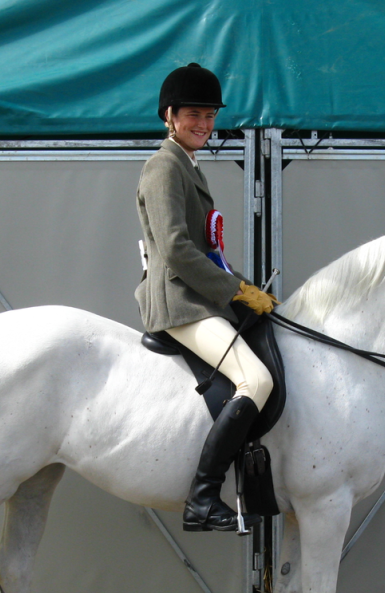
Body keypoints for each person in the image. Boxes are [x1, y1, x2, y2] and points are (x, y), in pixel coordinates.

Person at [135, 62, 277, 533]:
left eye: (210, 115)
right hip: (178, 302)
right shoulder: (164, 167)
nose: (203, 123)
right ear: (170, 116)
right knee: (256, 381)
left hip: (198, 294)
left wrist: (248, 288)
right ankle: (202, 498)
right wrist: (233, 290)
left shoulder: (188, 164)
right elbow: (176, 250)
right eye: (194, 114)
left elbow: (207, 250)